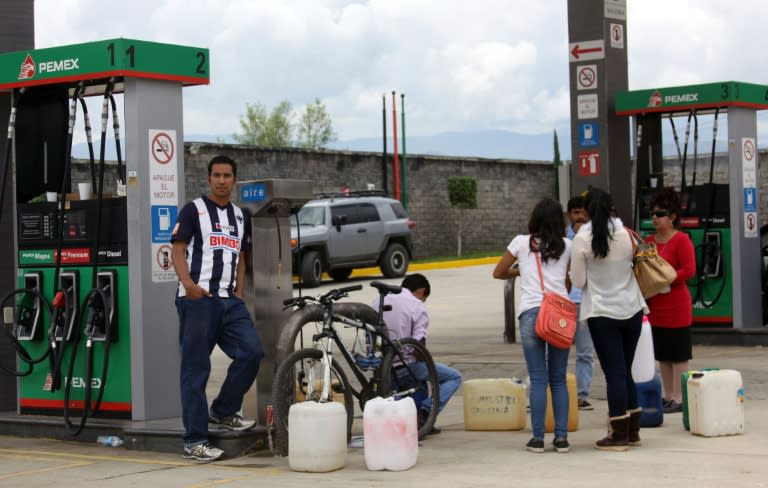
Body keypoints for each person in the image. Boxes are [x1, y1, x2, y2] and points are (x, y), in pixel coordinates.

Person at [171, 155, 265, 462]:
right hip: (198, 300)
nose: (222, 180)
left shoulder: (241, 216)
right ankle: (194, 440)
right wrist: (188, 286)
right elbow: (178, 250)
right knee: (196, 370)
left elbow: (242, 257)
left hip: (229, 301)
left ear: (234, 180)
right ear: (209, 179)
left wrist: (238, 292)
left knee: (252, 352)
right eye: (216, 175)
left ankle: (224, 411)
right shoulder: (193, 211)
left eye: (227, 175)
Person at [570, 188, 647, 451]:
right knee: (625, 369)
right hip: (633, 309)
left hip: (602, 313)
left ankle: (618, 434)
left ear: (587, 211)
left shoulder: (583, 237)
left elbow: (579, 281)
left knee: (614, 372)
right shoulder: (625, 233)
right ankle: (633, 430)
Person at [493, 198, 572, 453]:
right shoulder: (567, 246)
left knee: (538, 379)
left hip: (530, 314)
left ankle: (537, 438)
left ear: (534, 219)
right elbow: (568, 283)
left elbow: (498, 272)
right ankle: (561, 438)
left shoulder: (520, 243)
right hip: (559, 315)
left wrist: (520, 272)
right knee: (558, 379)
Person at [376, 273, 463, 435]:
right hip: (407, 365)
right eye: (424, 298)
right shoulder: (416, 305)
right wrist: (427, 360)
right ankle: (426, 413)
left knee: (422, 376)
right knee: (453, 377)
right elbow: (418, 348)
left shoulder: (377, 303)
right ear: (421, 292)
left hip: (381, 368)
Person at [644, 187, 696, 414]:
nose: (655, 218)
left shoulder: (682, 240)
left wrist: (669, 280)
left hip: (676, 304)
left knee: (679, 353)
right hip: (656, 304)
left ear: (672, 217)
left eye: (660, 213)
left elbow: (689, 270)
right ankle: (667, 395)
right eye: (653, 214)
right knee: (662, 353)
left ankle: (680, 397)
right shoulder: (648, 241)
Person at [566, 195, 595, 411]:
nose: (580, 217)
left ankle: (582, 394)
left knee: (585, 351)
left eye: (583, 213)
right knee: (558, 351)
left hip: (586, 303)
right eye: (576, 212)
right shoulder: (561, 240)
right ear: (569, 216)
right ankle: (554, 390)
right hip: (564, 304)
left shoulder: (595, 238)